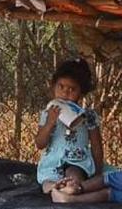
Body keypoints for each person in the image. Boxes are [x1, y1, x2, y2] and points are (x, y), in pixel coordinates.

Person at [35, 58, 103, 193]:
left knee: (74, 174)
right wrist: (49, 124)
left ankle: (72, 187)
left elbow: (96, 145)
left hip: (77, 161)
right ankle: (54, 188)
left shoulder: (88, 116)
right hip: (52, 162)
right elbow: (40, 143)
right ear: (53, 86)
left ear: (81, 93)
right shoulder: (48, 113)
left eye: (72, 89)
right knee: (47, 181)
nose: (65, 92)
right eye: (61, 86)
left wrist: (98, 171)